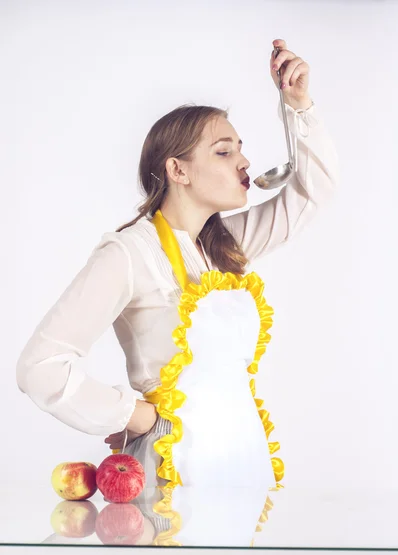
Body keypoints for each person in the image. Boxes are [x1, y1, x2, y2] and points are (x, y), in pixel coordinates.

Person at [16, 39, 339, 493]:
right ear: (178, 171)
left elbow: (312, 192)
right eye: (224, 152)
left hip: (239, 460)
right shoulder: (130, 253)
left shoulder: (226, 246)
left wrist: (297, 105)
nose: (245, 160)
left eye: (240, 148)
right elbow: (39, 365)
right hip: (172, 470)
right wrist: (132, 413)